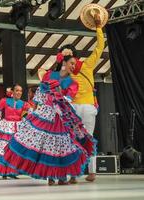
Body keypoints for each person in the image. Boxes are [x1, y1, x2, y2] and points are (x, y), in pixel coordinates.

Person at [3, 50, 96, 185]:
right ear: (63, 63)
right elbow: (40, 95)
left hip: (62, 115)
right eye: (71, 63)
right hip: (46, 114)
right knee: (46, 145)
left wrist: (59, 97)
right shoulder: (49, 75)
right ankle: (51, 176)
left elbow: (68, 98)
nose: (73, 66)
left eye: (74, 64)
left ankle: (62, 176)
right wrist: (40, 108)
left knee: (61, 146)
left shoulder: (72, 82)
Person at [69, 13, 104, 182]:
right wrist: (98, 27)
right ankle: (89, 173)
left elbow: (100, 45)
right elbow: (100, 46)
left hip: (79, 108)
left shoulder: (69, 70)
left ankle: (77, 174)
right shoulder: (84, 65)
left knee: (76, 140)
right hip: (84, 107)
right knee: (86, 140)